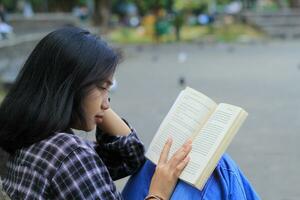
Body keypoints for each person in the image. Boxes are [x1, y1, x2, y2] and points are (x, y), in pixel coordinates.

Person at [0, 27, 192, 200]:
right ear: (70, 88)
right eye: (102, 87)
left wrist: (94, 101)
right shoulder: (69, 155)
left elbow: (130, 156)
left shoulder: (27, 136)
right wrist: (158, 194)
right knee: (219, 169)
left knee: (159, 168)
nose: (107, 103)